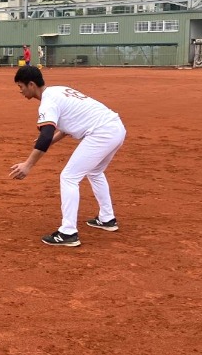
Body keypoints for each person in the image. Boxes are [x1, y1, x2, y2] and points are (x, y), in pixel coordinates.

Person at [9, 66, 126, 246]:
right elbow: (64, 128)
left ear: (31, 84)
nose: (20, 91)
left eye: (21, 87)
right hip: (116, 128)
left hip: (101, 133)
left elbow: (46, 134)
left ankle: (68, 232)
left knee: (69, 177)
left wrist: (28, 164)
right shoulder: (59, 90)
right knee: (94, 172)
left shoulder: (48, 101)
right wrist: (47, 140)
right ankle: (107, 218)